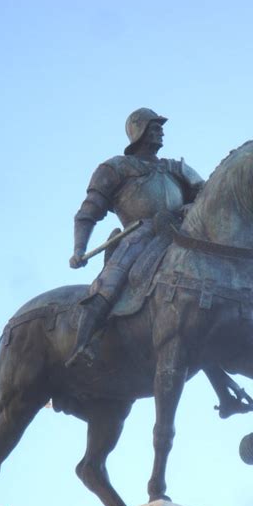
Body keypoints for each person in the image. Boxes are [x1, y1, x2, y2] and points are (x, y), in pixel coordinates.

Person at [66, 107, 204, 367]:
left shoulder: (177, 168)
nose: (161, 131)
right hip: (139, 234)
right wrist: (78, 249)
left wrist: (191, 207)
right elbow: (88, 212)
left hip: (180, 232)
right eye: (154, 127)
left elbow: (206, 197)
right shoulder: (116, 167)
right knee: (110, 283)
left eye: (161, 127)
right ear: (139, 131)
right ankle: (83, 342)